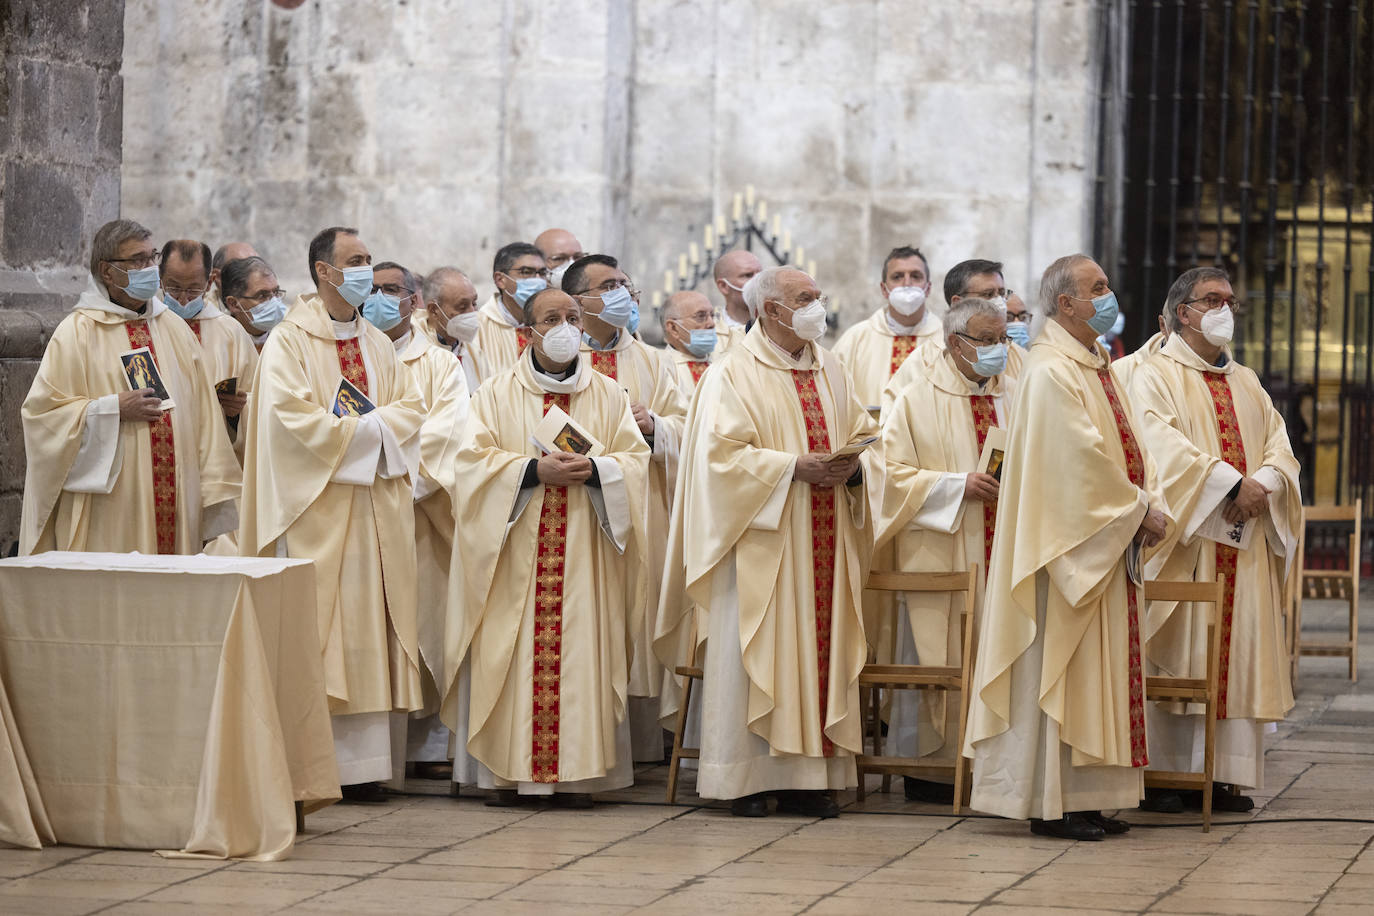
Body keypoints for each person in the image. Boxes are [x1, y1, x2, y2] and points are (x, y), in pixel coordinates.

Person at [656, 266, 877, 818]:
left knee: (818, 653)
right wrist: (790, 469)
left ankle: (809, 778)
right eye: (804, 298)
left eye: (818, 296)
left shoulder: (832, 367)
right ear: (770, 310)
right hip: (761, 542)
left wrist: (851, 470)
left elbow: (861, 440)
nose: (816, 306)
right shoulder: (731, 372)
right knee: (755, 654)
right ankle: (745, 779)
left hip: (824, 536)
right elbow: (716, 462)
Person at [965, 253, 1170, 841]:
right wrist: (1136, 508)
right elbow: (1078, 462)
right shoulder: (1053, 370)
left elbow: (1132, 444)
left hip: (1103, 545)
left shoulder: (1095, 363)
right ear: (1065, 304)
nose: (1108, 295)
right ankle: (1053, 801)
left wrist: (1147, 497)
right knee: (1066, 666)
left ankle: (1093, 796)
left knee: (1099, 671)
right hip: (1068, 551)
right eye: (1097, 287)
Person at [441, 286, 649, 806]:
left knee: (580, 654)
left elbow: (636, 462)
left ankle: (577, 774)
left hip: (584, 551)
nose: (564, 326)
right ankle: (507, 775)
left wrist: (599, 469)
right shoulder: (493, 394)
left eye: (572, 317)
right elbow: (467, 464)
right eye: (551, 317)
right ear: (529, 330)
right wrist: (533, 470)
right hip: (514, 555)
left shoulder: (607, 394)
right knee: (510, 654)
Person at [238, 226, 425, 801]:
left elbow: (411, 408)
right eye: (356, 260)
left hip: (375, 510)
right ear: (323, 271)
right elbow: (288, 426)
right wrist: (372, 431)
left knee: (371, 630)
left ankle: (367, 769)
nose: (367, 270)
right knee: (325, 633)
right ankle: (320, 765)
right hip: (317, 510)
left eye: (369, 259)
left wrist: (372, 430)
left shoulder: (375, 341)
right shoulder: (289, 344)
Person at [1130, 266, 1300, 814]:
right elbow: (1158, 444)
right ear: (1185, 312)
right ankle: (1166, 776)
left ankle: (1224, 776)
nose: (1226, 308)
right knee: (1177, 651)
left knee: (1239, 656)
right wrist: (1230, 483)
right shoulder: (1153, 373)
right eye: (1212, 299)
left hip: (1242, 544)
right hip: (1187, 543)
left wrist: (1265, 485)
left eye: (1231, 299)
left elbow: (1280, 444)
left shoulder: (1247, 380)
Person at [20, 219, 240, 555]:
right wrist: (111, 410)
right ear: (107, 272)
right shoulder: (77, 333)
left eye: (151, 258)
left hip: (179, 500)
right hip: (111, 507)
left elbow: (205, 422)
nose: (148, 268)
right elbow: (42, 419)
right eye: (137, 261)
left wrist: (212, 497)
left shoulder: (174, 330)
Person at [875, 297, 1017, 804]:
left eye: (1003, 339)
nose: (1000, 350)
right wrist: (957, 486)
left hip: (1007, 552)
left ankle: (1000, 769)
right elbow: (887, 476)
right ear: (956, 343)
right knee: (936, 649)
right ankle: (930, 770)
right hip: (942, 551)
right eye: (988, 340)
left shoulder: (1017, 395)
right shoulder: (916, 397)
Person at [566, 254, 689, 761]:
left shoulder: (659, 362)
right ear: (578, 302)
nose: (621, 292)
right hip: (579, 512)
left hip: (647, 510)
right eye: (607, 285)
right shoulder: (558, 361)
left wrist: (657, 426)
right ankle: (588, 744)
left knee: (642, 616)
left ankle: (641, 748)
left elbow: (694, 430)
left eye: (623, 283)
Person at [362, 260, 473, 781]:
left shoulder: (440, 365)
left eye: (392, 290)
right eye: (374, 289)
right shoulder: (352, 353)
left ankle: (424, 747)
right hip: (355, 517)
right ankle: (364, 749)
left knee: (422, 625)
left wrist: (384, 479)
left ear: (413, 302)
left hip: (417, 518)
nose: (382, 297)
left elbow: (445, 439)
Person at [159, 239, 258, 456]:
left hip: (216, 458)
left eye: (194, 289)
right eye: (174, 288)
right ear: (159, 279)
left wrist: (238, 411)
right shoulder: (146, 327)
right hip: (162, 454)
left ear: (210, 282)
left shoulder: (231, 333)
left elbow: (259, 400)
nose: (184, 299)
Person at [832, 245, 941, 413]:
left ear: (928, 288)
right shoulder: (855, 339)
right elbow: (831, 398)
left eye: (916, 276)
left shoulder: (947, 341)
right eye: (897, 277)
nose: (907, 283)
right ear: (884, 289)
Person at [475, 242, 549, 375]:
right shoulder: (477, 327)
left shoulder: (553, 324)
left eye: (542, 273)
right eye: (526, 272)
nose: (538, 280)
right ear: (500, 280)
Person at [416, 266, 486, 392]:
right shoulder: (417, 353)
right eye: (462, 306)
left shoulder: (475, 353)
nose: (472, 312)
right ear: (434, 310)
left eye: (474, 303)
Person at [219, 255, 288, 351]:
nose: (274, 301)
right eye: (262, 296)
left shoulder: (289, 337)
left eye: (276, 292)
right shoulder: (219, 343)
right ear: (233, 304)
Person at [660, 290, 718, 391]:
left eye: (712, 316)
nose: (711, 323)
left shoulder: (722, 364)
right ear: (673, 328)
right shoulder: (661, 371)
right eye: (701, 316)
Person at [711, 249, 763, 353]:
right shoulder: (708, 330)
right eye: (748, 275)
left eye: (761, 274)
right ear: (724, 286)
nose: (758, 281)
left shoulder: (777, 327)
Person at [206, 241, 258, 312]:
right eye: (245, 270)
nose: (255, 277)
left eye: (257, 267)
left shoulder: (270, 310)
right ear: (218, 277)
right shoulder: (201, 314)